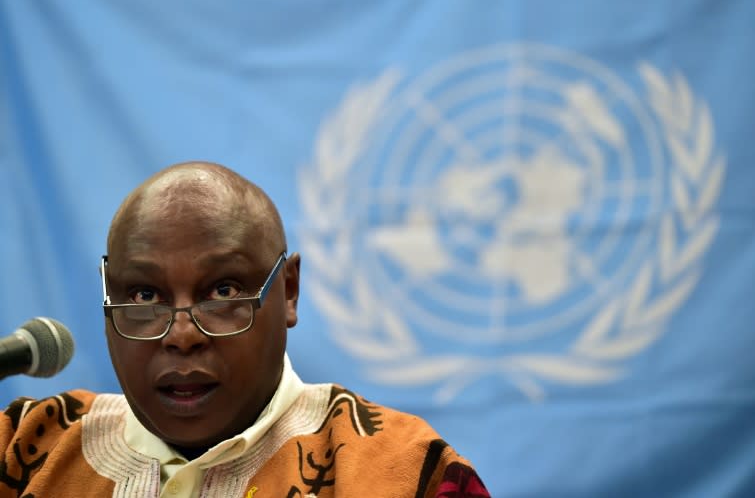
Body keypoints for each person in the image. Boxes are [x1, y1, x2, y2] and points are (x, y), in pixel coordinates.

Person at [0, 162, 489, 497]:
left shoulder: (401, 471)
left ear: (289, 291)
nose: (181, 335)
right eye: (145, 296)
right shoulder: (24, 450)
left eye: (224, 291)